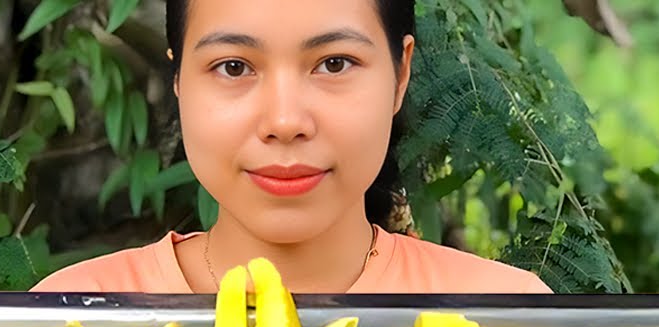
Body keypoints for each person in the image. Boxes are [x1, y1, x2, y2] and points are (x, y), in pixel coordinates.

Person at [32, 0, 552, 294]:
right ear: (180, 80)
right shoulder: (66, 318)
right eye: (233, 66)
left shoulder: (510, 319)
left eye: (334, 64)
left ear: (400, 74)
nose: (284, 122)